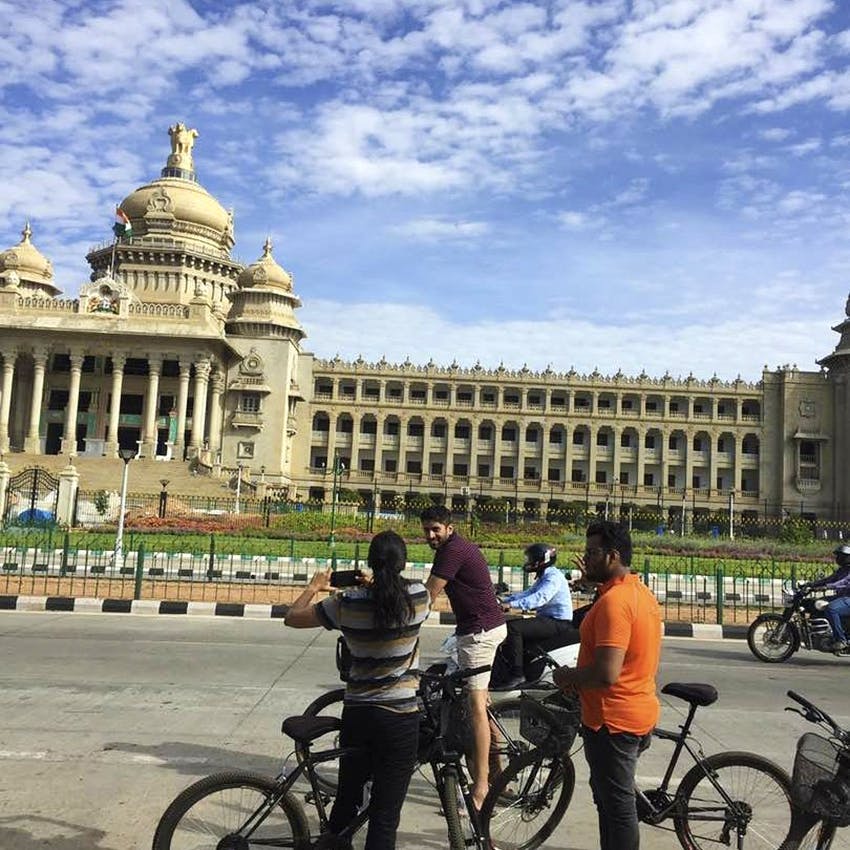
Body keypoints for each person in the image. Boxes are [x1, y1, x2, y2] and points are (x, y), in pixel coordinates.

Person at [284, 530, 430, 850]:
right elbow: (393, 596)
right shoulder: (419, 598)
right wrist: (375, 586)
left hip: (358, 712)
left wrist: (313, 587)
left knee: (347, 798)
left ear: (370, 562)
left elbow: (292, 619)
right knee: (385, 816)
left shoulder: (346, 602)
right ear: (403, 563)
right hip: (399, 717)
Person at [552, 520, 662, 850]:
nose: (586, 558)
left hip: (613, 721)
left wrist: (569, 676)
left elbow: (606, 673)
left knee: (618, 807)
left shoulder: (616, 604)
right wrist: (590, 584)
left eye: (592, 552)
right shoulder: (636, 592)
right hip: (632, 713)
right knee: (609, 798)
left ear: (612, 556)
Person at [420, 505, 506, 810]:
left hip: (478, 634)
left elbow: (429, 594)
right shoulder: (454, 547)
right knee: (479, 702)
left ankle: (482, 788)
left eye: (436, 529)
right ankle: (497, 774)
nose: (431, 535)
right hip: (478, 630)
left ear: (449, 528)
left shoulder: (452, 551)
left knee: (475, 709)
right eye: (427, 530)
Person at [495, 543, 575, 690]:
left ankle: (517, 675)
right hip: (548, 620)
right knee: (513, 629)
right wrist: (504, 600)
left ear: (541, 560)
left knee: (513, 629)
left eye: (531, 559)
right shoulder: (544, 576)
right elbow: (528, 593)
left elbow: (539, 598)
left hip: (558, 623)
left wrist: (511, 606)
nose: (528, 562)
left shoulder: (553, 577)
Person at [805, 544, 850, 651]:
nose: (838, 559)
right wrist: (811, 584)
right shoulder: (842, 570)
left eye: (841, 556)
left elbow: (843, 583)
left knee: (832, 609)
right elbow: (829, 579)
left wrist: (826, 587)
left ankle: (841, 640)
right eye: (838, 556)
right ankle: (819, 632)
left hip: (848, 598)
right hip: (841, 597)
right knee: (814, 603)